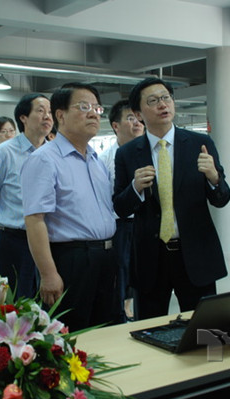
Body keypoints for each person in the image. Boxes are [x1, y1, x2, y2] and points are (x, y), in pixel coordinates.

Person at [113, 78, 230, 321]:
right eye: (153, 101)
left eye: (166, 98)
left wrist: (214, 177)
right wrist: (135, 187)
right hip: (150, 257)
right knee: (148, 329)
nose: (162, 104)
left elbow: (222, 199)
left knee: (203, 328)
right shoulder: (127, 153)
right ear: (138, 114)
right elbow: (120, 207)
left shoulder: (200, 144)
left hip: (195, 254)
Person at [21, 83, 120, 332]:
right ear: (61, 115)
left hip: (105, 257)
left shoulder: (96, 161)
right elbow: (34, 220)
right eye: (84, 107)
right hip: (71, 260)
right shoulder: (44, 159)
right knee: (73, 335)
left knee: (107, 332)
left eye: (97, 108)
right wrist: (48, 274)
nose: (93, 113)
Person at [0, 93, 52, 299]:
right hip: (15, 241)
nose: (47, 116)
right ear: (23, 117)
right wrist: (0, 227)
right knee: (15, 303)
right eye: (40, 111)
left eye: (50, 112)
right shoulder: (4, 153)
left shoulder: (54, 152)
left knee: (48, 301)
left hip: (50, 240)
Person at [99, 100, 144, 321]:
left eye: (138, 118)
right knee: (121, 270)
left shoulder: (149, 152)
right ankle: (120, 313)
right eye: (130, 118)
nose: (137, 123)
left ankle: (138, 309)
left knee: (144, 269)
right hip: (120, 224)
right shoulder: (105, 159)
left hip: (146, 222)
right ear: (116, 126)